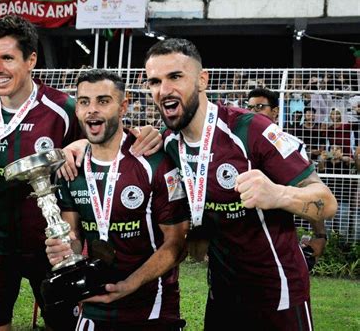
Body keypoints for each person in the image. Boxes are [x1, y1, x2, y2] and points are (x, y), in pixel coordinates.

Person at [0, 15, 161, 331]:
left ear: (31, 60)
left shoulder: (63, 107)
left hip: (53, 247)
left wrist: (146, 132)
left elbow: (108, 137)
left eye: (6, 58)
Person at [144, 38, 337, 330]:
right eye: (154, 81)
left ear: (202, 80)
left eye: (175, 77)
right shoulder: (168, 143)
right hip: (221, 296)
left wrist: (278, 194)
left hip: (277, 295)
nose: (164, 90)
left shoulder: (250, 129)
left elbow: (326, 201)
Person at [46, 69, 190, 330]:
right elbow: (74, 237)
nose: (92, 110)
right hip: (94, 304)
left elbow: (177, 243)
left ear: (123, 106)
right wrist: (66, 250)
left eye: (103, 101)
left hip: (152, 306)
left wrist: (129, 285)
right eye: (84, 102)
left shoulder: (154, 161)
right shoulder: (71, 168)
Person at [246, 89, 327, 269]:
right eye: (249, 107)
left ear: (275, 112)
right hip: (236, 235)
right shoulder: (233, 145)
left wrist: (320, 235)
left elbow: (310, 192)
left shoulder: (292, 146)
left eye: (259, 107)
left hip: (276, 234)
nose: (252, 113)